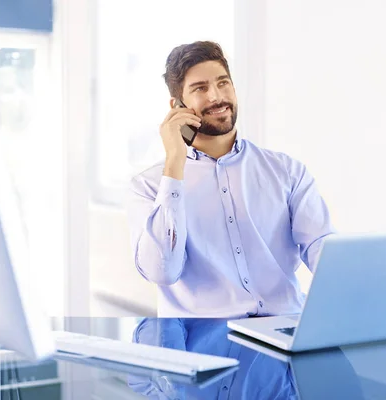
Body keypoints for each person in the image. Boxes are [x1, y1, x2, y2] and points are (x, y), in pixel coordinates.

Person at [128, 41, 335, 318]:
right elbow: (162, 271)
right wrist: (175, 160)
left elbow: (324, 253)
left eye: (223, 83)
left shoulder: (287, 172)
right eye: (200, 88)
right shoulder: (150, 186)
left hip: (282, 329)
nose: (216, 97)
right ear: (177, 106)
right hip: (201, 342)